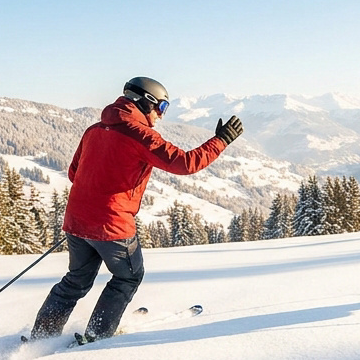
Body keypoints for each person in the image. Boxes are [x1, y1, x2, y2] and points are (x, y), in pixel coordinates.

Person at [29, 76, 243, 343]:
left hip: (77, 221)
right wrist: (221, 141)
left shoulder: (94, 130)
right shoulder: (140, 135)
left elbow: (74, 173)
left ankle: (42, 337)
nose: (161, 115)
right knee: (128, 277)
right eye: (162, 107)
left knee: (76, 280)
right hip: (112, 224)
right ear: (146, 101)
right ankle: (97, 335)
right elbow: (184, 163)